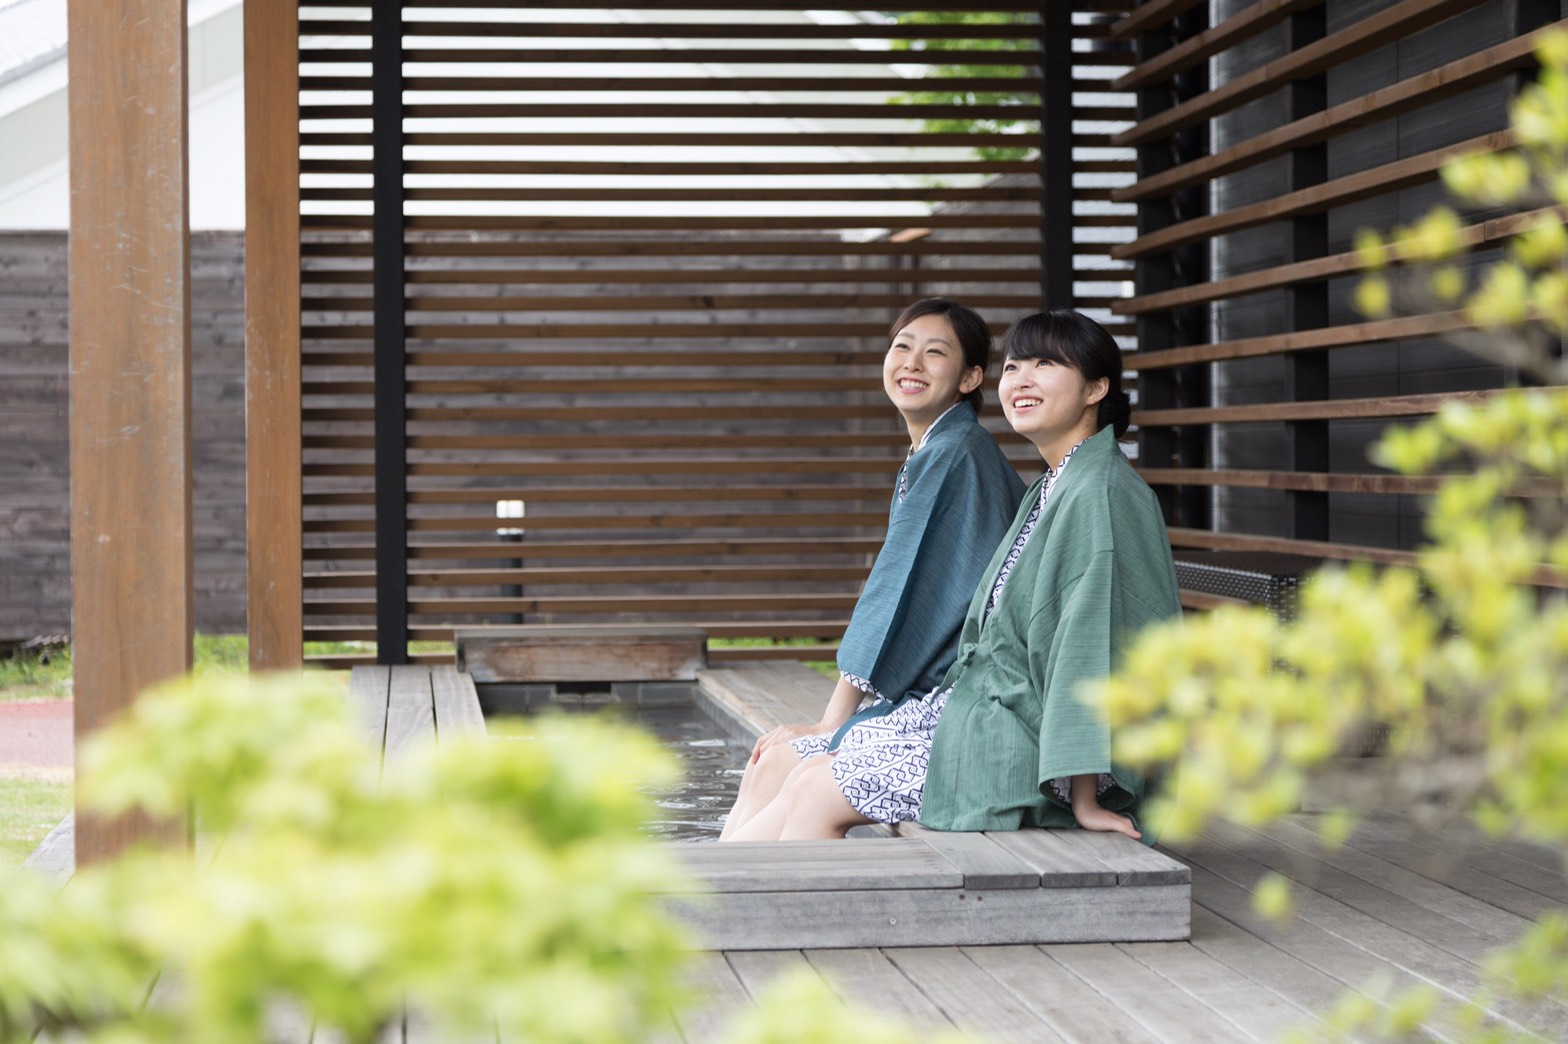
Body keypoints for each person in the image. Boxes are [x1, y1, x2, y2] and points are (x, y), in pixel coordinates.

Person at [725, 308, 1179, 843]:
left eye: (1045, 364)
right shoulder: (1058, 482)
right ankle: (723, 913)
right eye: (1013, 367)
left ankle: (777, 922)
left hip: (1022, 741)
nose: (1023, 379)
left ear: (1095, 388)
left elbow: (1097, 642)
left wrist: (1084, 794)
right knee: (802, 773)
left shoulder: (1098, 492)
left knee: (815, 786)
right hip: (986, 709)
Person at [718, 298, 1025, 840]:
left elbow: (896, 592)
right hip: (935, 691)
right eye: (901, 347)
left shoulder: (956, 453)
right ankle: (717, 896)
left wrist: (831, 721)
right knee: (772, 760)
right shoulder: (942, 447)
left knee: (792, 765)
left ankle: (715, 905)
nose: (911, 363)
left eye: (935, 353)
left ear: (970, 377)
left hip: (960, 699)